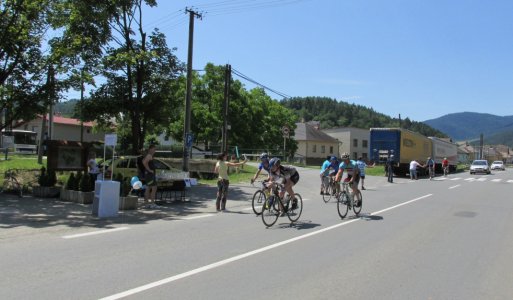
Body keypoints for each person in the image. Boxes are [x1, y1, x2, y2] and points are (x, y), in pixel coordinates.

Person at [142, 144, 158, 208]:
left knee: (148, 188)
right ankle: (151, 203)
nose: (155, 151)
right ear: (150, 149)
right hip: (150, 175)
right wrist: (149, 170)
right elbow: (144, 162)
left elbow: (143, 161)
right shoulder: (149, 155)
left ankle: (147, 204)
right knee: (153, 188)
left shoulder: (149, 155)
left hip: (149, 175)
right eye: (154, 149)